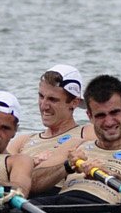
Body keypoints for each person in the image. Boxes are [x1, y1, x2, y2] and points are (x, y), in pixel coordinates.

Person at [31, 75, 121, 206]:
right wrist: (67, 166)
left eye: (114, 112)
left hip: (101, 206)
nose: (109, 122)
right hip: (61, 204)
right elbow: (33, 182)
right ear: (90, 116)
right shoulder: (76, 144)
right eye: (100, 115)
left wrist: (111, 174)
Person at [7, 64, 91, 194]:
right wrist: (31, 164)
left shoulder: (86, 133)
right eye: (41, 96)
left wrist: (22, 167)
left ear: (74, 102)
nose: (44, 106)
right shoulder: (23, 140)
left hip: (54, 198)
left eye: (52, 99)